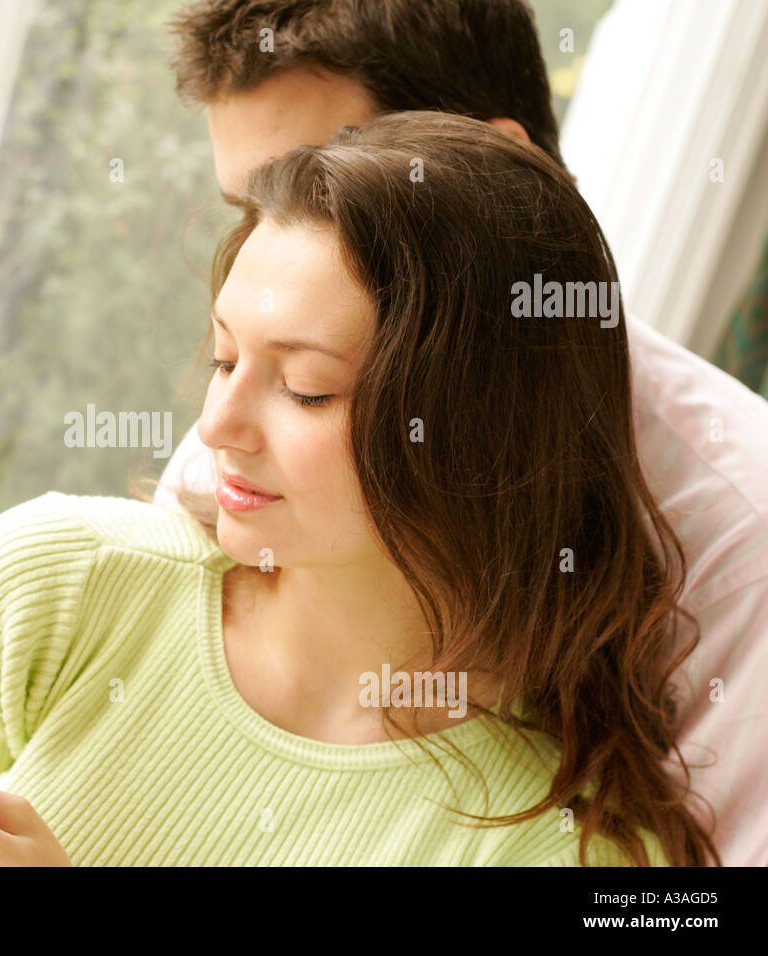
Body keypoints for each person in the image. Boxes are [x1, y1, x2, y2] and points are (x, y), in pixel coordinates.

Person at [0, 107, 720, 867]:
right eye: (225, 359)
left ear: (475, 432)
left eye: (307, 388)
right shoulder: (50, 589)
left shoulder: (566, 853)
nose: (217, 426)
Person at [151, 0, 768, 867]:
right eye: (248, 207)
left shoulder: (745, 532)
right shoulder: (259, 406)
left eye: (322, 177)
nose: (271, 249)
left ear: (501, 168)